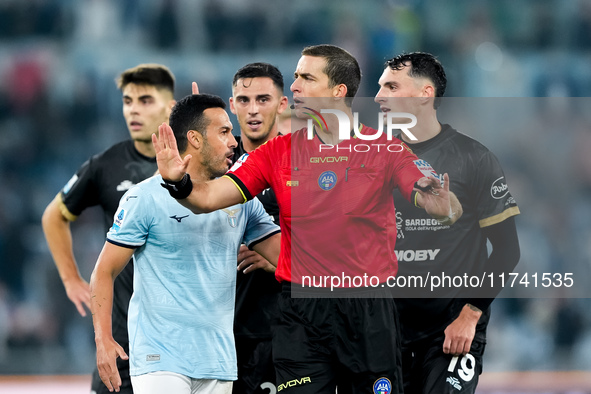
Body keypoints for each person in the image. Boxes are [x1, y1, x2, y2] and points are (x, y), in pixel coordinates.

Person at [154, 44, 462, 394]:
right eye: (296, 77)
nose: (295, 86)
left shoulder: (384, 148)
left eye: (306, 77)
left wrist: (444, 203)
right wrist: (177, 181)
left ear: (338, 91)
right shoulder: (278, 152)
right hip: (300, 314)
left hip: (367, 310)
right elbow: (206, 198)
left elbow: (438, 202)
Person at [90, 93, 281, 394]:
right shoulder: (145, 197)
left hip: (217, 361)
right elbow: (104, 271)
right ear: (194, 138)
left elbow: (290, 257)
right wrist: (103, 340)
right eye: (224, 131)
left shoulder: (242, 203)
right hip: (160, 358)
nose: (235, 141)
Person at [374, 52, 521, 393]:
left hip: (452, 328)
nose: (379, 95)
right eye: (380, 86)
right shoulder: (371, 159)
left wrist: (470, 316)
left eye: (391, 86)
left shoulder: (474, 158)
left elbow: (506, 250)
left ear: (425, 94)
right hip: (386, 329)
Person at [41, 64, 176, 394]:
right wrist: (70, 277)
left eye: (145, 100)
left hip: (179, 337)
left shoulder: (195, 162)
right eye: (127, 100)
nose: (133, 109)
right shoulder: (105, 165)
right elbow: (53, 216)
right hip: (122, 336)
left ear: (170, 106)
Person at [228, 62, 288, 394]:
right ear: (231, 104)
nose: (253, 109)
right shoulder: (213, 164)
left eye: (263, 99)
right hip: (218, 332)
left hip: (280, 328)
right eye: (244, 99)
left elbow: (335, 239)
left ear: (282, 104)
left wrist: (279, 255)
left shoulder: (305, 162)